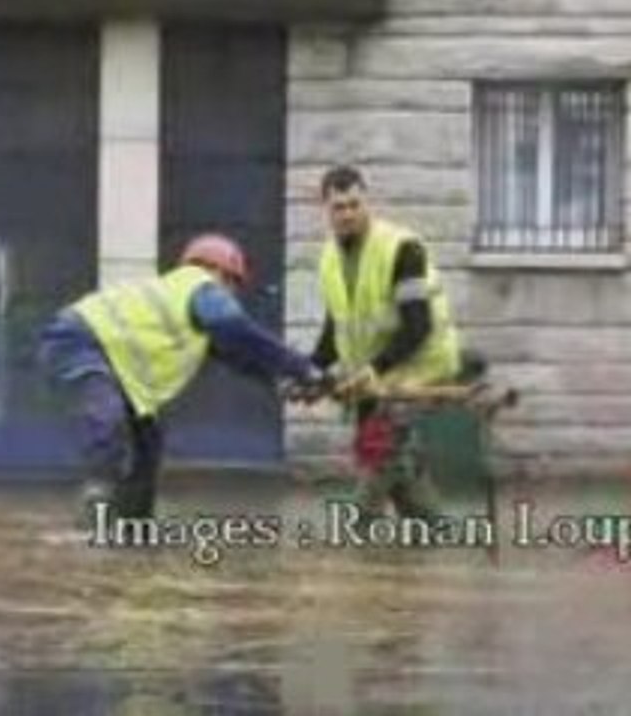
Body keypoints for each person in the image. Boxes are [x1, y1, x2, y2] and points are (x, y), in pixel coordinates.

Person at [37, 233, 320, 528]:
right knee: (107, 413)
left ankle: (134, 525)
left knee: (149, 442)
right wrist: (301, 367)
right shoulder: (199, 285)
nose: (233, 298)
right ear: (219, 271)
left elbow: (237, 356)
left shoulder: (188, 310)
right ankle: (97, 496)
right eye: (233, 285)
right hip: (80, 340)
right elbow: (233, 326)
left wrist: (281, 381)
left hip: (120, 370)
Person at [309, 165, 462, 524]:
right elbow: (337, 326)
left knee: (379, 455)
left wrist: (372, 370)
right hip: (373, 379)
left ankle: (358, 532)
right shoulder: (330, 258)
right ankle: (434, 530)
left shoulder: (402, 249)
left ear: (367, 202)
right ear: (325, 210)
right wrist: (311, 367)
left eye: (354, 204)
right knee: (394, 465)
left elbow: (418, 326)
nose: (347, 213)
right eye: (338, 207)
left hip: (416, 369)